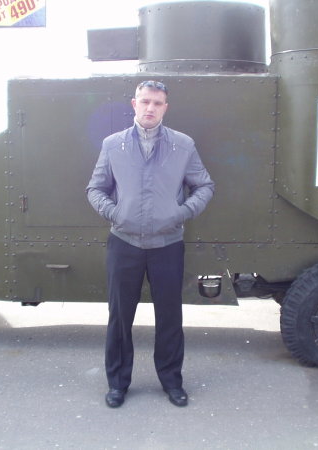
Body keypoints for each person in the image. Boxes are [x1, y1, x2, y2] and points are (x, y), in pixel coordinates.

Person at [86, 80, 214, 408]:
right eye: (145, 101)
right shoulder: (113, 145)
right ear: (134, 104)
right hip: (124, 242)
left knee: (169, 317)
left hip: (167, 244)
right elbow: (95, 189)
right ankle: (117, 383)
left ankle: (172, 381)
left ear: (165, 108)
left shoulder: (182, 145)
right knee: (119, 317)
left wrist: (180, 213)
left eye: (157, 103)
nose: (150, 108)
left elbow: (204, 186)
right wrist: (116, 213)